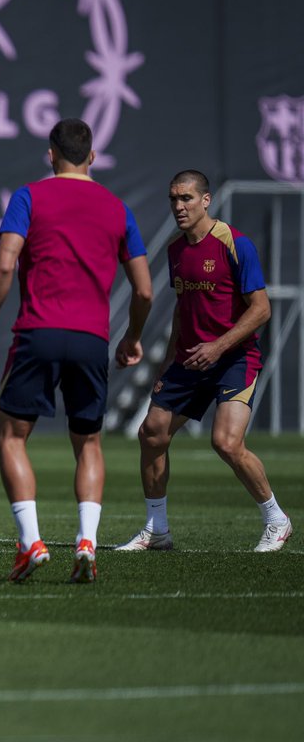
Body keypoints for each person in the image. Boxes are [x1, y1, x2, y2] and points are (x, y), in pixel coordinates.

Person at [0, 119, 152, 583]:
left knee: (11, 437)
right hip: (92, 339)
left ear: (50, 155)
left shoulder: (29, 196)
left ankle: (31, 542)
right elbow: (146, 291)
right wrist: (132, 336)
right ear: (92, 156)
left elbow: (4, 263)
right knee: (88, 442)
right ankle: (87, 542)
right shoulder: (117, 208)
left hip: (39, 331)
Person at [117, 170, 291, 553]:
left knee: (226, 442)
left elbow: (260, 310)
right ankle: (156, 530)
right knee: (152, 433)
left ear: (206, 200)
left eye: (186, 199)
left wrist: (218, 346)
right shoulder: (176, 251)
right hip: (190, 359)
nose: (179, 206)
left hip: (234, 357)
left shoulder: (235, 243)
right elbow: (183, 310)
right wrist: (166, 364)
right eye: (173, 199)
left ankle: (277, 519)